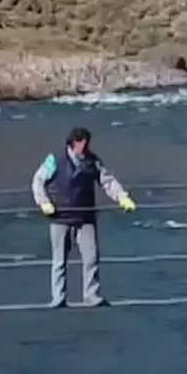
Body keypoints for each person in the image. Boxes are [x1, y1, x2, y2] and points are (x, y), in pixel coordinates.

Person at [31, 127, 137, 307]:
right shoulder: (54, 160)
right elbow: (38, 181)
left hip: (85, 216)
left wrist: (122, 197)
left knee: (91, 258)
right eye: (82, 143)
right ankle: (58, 298)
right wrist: (43, 203)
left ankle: (91, 295)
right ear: (73, 143)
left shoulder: (92, 160)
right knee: (59, 260)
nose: (85, 147)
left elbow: (107, 181)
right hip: (60, 216)